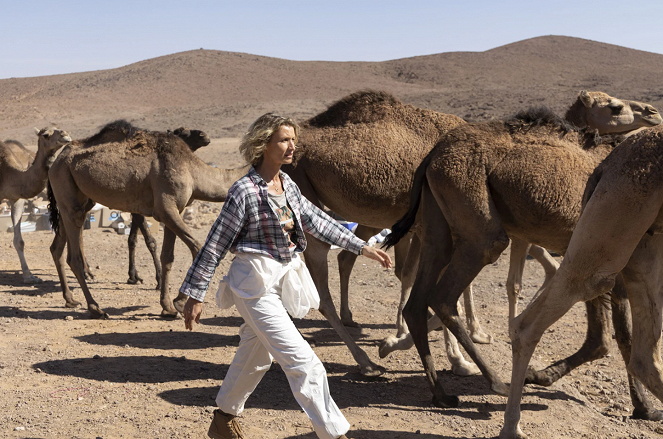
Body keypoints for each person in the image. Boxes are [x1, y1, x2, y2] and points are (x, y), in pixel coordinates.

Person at [180, 113, 392, 439]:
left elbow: (318, 220)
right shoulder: (244, 192)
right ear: (264, 144)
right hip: (253, 285)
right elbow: (214, 245)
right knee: (304, 363)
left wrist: (361, 247)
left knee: (255, 355)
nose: (292, 146)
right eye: (284, 140)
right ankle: (335, 434)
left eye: (293, 139)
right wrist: (196, 293)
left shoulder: (287, 185)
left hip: (280, 282)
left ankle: (223, 420)